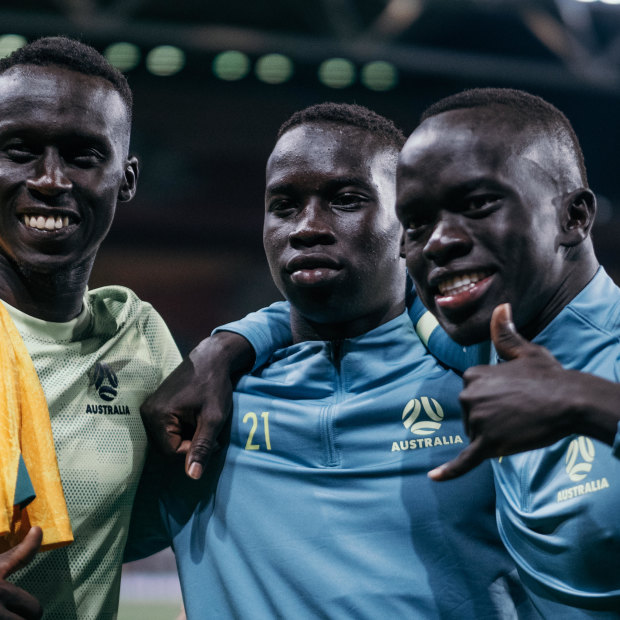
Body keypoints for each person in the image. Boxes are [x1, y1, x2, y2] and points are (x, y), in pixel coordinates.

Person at [129, 103, 537, 618]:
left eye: (346, 200)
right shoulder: (204, 406)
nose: (307, 228)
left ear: (409, 227)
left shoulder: (487, 382)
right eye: (283, 205)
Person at [395, 88, 620, 616]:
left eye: (477, 205)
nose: (437, 243)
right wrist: (236, 342)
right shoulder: (480, 344)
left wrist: (583, 402)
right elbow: (366, 289)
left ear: (574, 217)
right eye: (416, 224)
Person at [0, 37, 181, 619]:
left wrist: (241, 341)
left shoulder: (139, 339)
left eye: (82, 156)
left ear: (125, 181)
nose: (51, 180)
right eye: (20, 150)